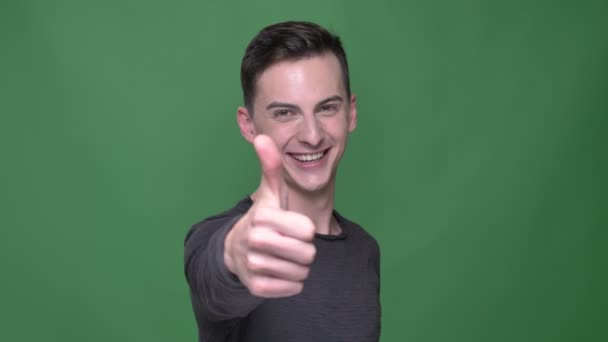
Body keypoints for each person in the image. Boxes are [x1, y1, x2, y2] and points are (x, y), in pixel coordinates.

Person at [184, 21, 381, 342]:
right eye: (285, 113)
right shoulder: (215, 239)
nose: (313, 135)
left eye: (327, 108)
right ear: (248, 126)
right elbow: (214, 276)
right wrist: (234, 254)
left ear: (351, 113)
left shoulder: (365, 250)